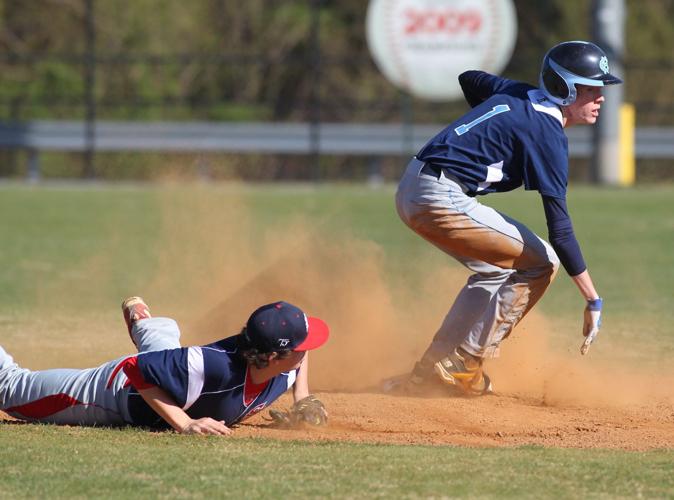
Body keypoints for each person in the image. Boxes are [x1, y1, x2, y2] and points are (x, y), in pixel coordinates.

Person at [389, 41, 621, 395]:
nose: (600, 98)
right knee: (542, 263)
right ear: (565, 88)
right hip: (439, 197)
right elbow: (559, 230)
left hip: (414, 185)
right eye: (591, 89)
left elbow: (470, 79)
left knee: (495, 270)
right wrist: (592, 299)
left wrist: (495, 125)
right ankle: (466, 363)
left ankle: (429, 373)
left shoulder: (521, 96)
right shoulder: (546, 134)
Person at [0, 297, 329, 434]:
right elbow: (136, 369)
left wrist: (303, 397)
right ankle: (154, 331)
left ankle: (152, 327)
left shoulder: (277, 360)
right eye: (301, 346)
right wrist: (185, 423)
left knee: (172, 362)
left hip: (176, 373)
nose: (306, 350)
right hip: (114, 393)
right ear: (272, 356)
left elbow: (300, 351)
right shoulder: (212, 367)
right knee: (9, 389)